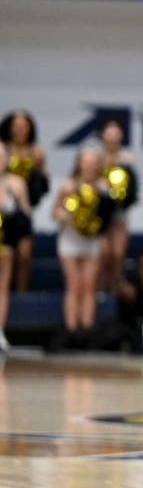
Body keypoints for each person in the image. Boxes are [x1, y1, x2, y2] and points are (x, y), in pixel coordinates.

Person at [52, 147, 112, 349]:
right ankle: (71, 329)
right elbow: (55, 212)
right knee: (74, 284)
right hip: (70, 239)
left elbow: (107, 216)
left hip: (92, 240)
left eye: (93, 162)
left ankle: (86, 329)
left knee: (88, 285)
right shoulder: (68, 186)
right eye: (86, 162)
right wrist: (70, 218)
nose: (89, 166)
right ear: (79, 163)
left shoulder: (103, 187)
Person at [0, 110, 47, 293]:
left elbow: (41, 186)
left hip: (21, 207)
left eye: (24, 126)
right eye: (16, 126)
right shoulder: (2, 147)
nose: (20, 130)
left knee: (24, 253)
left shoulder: (36, 153)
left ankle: (21, 292)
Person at [98, 118, 139, 295]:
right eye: (109, 133)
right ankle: (100, 290)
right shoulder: (95, 158)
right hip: (97, 214)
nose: (112, 137)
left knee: (118, 254)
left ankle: (114, 292)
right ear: (102, 135)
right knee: (103, 253)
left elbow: (132, 188)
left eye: (116, 134)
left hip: (119, 212)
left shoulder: (127, 159)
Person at [0, 143, 31, 353]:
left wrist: (16, 206)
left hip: (4, 242)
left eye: (2, 156)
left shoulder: (16, 183)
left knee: (2, 288)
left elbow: (26, 215)